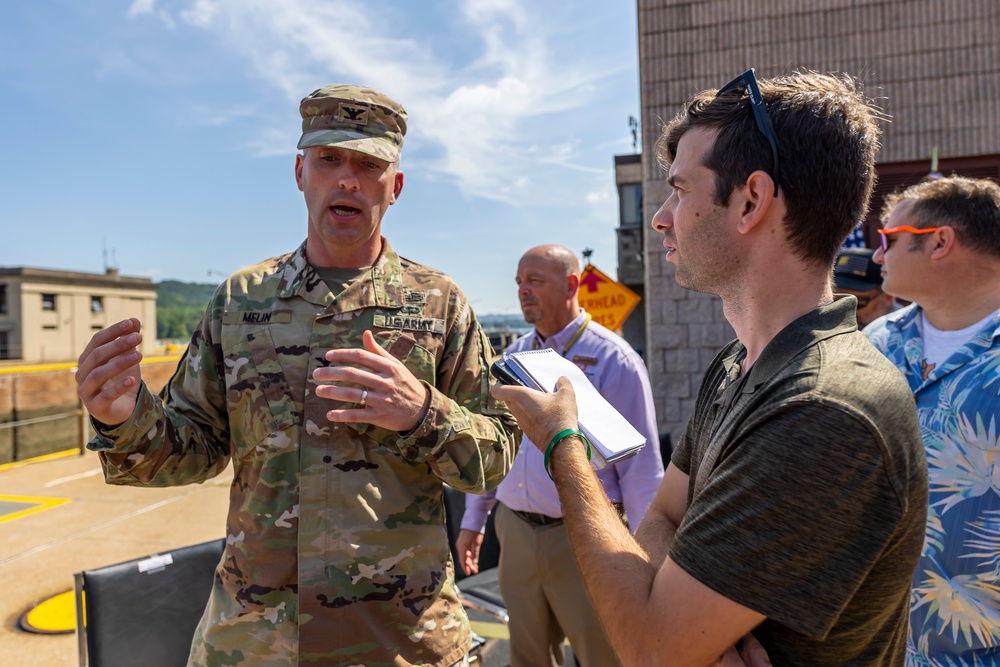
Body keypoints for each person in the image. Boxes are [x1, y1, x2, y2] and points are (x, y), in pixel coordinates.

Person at [492, 69, 929, 666]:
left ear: (751, 200)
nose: (661, 218)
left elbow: (647, 650)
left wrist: (563, 442)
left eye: (680, 189)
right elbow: (667, 512)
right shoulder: (740, 364)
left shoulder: (824, 408)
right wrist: (664, 612)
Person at [75, 84, 520, 667]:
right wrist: (124, 418)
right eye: (329, 159)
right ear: (299, 172)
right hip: (257, 641)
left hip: (399, 641)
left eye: (369, 164)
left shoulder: (439, 304)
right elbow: (194, 450)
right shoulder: (239, 302)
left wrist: (422, 413)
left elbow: (496, 456)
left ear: (396, 186)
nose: (347, 179)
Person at [456, 244, 663, 667]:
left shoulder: (615, 360)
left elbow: (641, 470)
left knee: (600, 654)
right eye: (518, 282)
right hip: (514, 532)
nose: (522, 291)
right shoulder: (513, 358)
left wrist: (646, 562)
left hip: (583, 540)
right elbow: (495, 444)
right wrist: (473, 521)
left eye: (534, 281)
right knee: (526, 656)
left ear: (572, 285)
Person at [865, 176, 1000, 666]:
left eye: (889, 240)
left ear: (940, 241)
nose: (877, 255)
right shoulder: (875, 343)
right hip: (880, 649)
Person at [832, 247, 898, 328]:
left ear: (888, 297)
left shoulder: (909, 333)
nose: (845, 310)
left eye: (858, 302)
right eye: (837, 300)